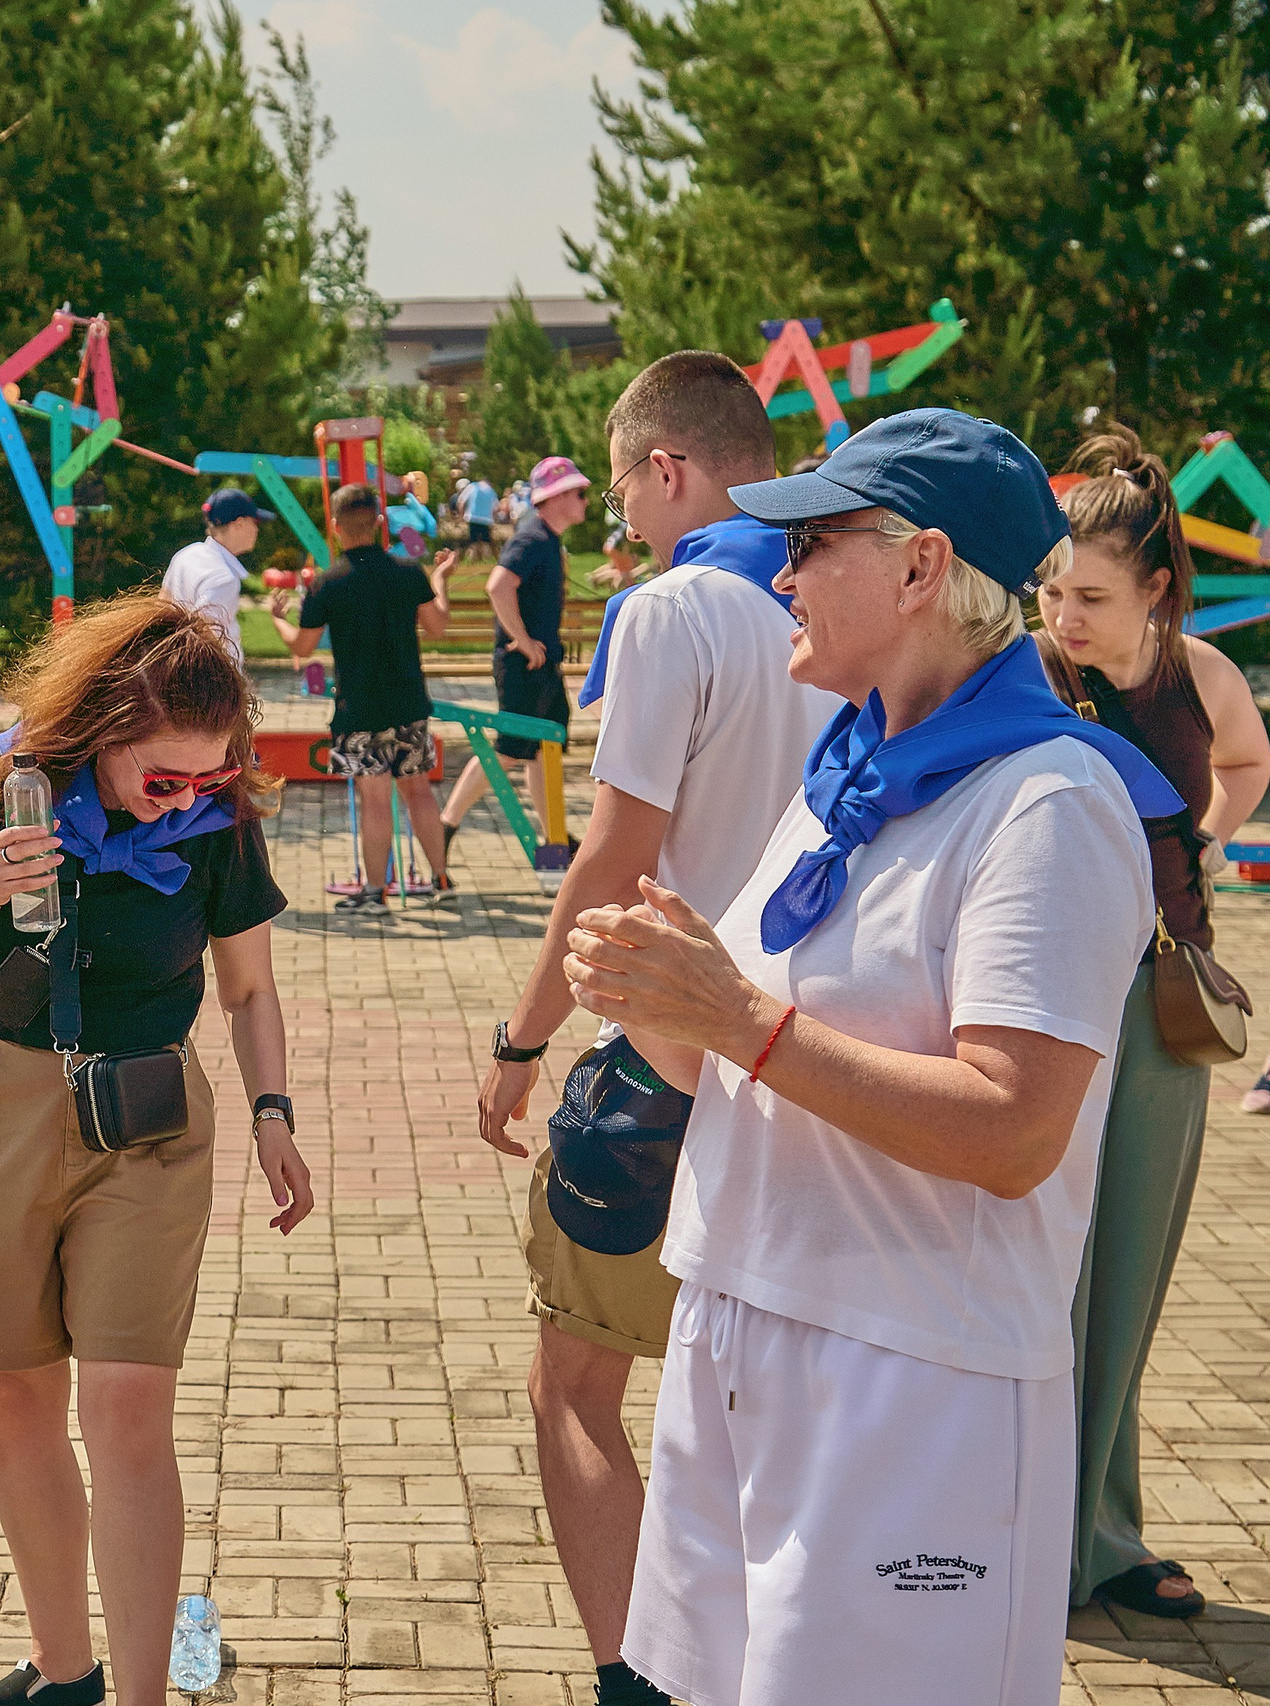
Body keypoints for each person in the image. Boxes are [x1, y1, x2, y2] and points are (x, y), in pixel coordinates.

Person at [564, 408, 1184, 1706]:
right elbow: (746, 1043)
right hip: (746, 1334)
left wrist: (739, 1019)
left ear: (919, 569)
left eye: (815, 542)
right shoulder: (849, 774)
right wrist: (655, 1013)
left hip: (913, 1382)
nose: (781, 572)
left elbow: (1013, 1126)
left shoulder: (1048, 802)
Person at [0, 595, 313, 1706]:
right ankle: (64, 1670)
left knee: (124, 1404)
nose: (189, 794)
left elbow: (248, 987)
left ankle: (143, 1697)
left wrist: (273, 1113)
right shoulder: (2, 774)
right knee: (17, 1397)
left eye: (207, 776)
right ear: (105, 728)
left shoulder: (218, 819)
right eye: (164, 777)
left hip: (148, 1114)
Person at [472, 351, 834, 1706]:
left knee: (576, 1382)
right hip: (825, 1056)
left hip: (673, 1056)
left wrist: (520, 1039)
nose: (618, 511)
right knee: (766, 1401)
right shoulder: (845, 594)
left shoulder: (671, 606)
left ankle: (640, 1676)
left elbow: (615, 855)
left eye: (621, 481)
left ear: (668, 467)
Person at [1038, 424, 1270, 1619]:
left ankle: (1104, 1536)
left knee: (1124, 1278)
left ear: (1157, 593)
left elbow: (1243, 755)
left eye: (1088, 594)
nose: (1063, 612)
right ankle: (1043, 1530)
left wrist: (1212, 837)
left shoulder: (1200, 677)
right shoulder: (1031, 671)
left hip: (1163, 1005)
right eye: (1051, 588)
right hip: (1037, 1001)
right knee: (1048, 1280)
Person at [266, 483, 457, 910]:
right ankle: (441, 878)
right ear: (380, 523)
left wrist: (278, 619)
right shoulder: (409, 572)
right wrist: (440, 579)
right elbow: (439, 627)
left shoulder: (327, 584)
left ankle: (375, 891)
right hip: (408, 702)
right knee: (418, 791)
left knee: (374, 801)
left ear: (335, 528)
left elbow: (301, 647)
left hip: (359, 708)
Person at [441, 456, 586, 846]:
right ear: (555, 497)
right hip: (524, 665)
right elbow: (497, 585)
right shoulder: (532, 537)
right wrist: (521, 639)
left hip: (543, 664)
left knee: (544, 749)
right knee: (506, 753)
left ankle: (554, 839)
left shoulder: (546, 538)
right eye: (580, 493)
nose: (586, 501)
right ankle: (446, 824)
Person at [162, 487, 275, 666]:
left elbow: (161, 605)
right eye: (255, 522)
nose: (257, 530)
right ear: (239, 524)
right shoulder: (224, 578)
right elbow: (204, 640)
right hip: (212, 683)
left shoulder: (186, 555)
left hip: (177, 671)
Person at [460, 469, 500, 559]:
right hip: (486, 520)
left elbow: (461, 502)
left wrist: (462, 515)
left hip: (472, 518)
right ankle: (486, 561)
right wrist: (492, 518)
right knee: (486, 542)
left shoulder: (473, 486)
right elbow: (497, 508)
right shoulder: (491, 491)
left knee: (473, 542)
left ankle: (471, 562)